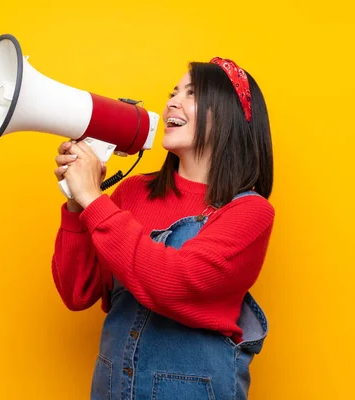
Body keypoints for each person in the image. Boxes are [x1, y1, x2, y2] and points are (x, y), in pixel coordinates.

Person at [51, 57, 275, 400]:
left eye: (192, 93)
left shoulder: (249, 212)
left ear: (230, 116)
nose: (172, 101)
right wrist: (76, 203)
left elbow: (175, 283)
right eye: (173, 92)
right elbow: (77, 293)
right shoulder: (131, 192)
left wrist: (95, 200)